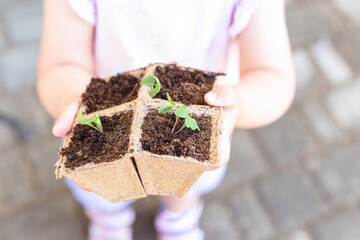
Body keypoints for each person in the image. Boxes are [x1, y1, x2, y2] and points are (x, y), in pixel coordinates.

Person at [37, 0, 295, 239]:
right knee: (102, 192)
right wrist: (71, 98)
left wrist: (240, 101)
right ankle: (109, 223)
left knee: (183, 186)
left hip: (199, 117)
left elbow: (272, 76)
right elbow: (62, 62)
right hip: (100, 113)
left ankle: (178, 220)